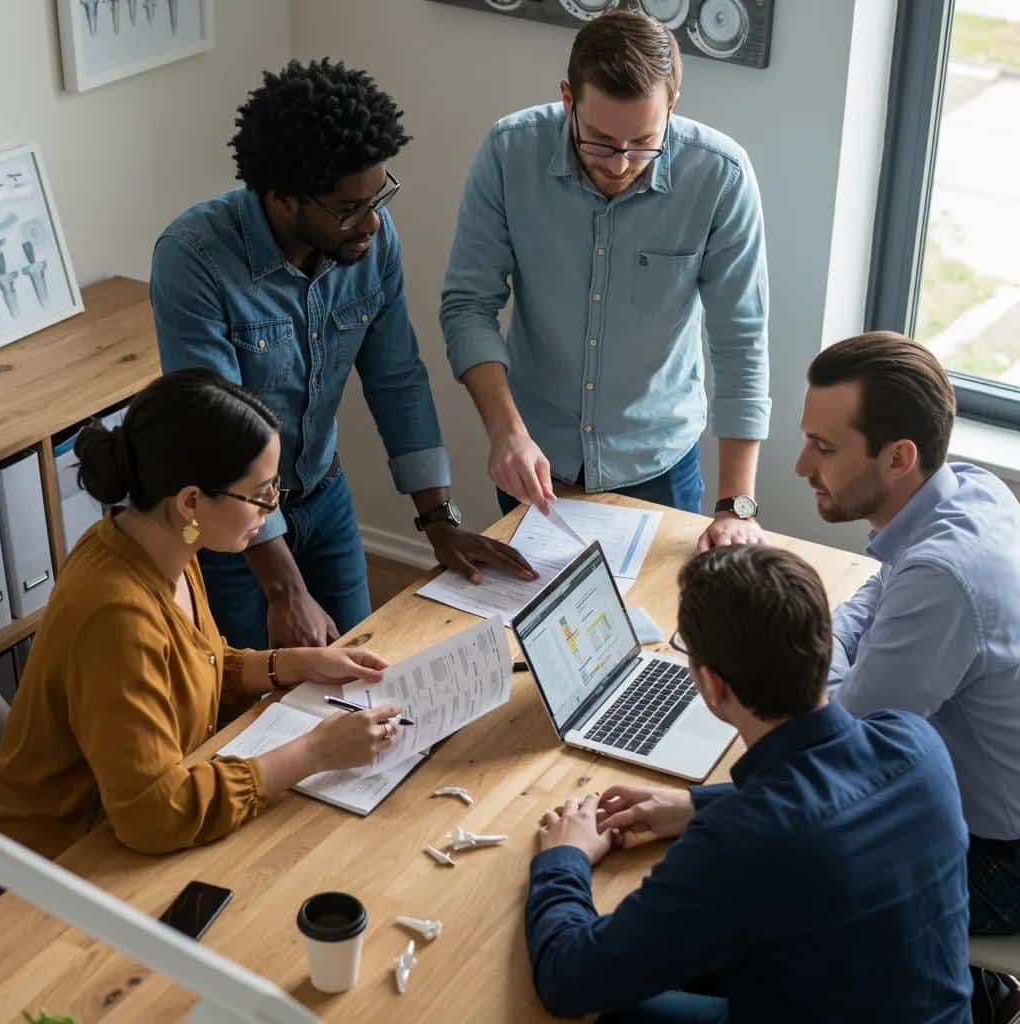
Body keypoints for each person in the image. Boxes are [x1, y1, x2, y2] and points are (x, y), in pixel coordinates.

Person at [151, 58, 534, 651]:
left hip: (324, 499)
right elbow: (214, 433)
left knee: (358, 667)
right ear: (281, 198)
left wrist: (440, 521)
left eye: (379, 195)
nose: (372, 222)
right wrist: (284, 590)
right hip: (225, 524)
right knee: (251, 701)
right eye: (348, 207)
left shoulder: (370, 245)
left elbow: (397, 378)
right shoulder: (194, 257)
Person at [527, 545, 971, 1023]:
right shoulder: (916, 744)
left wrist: (563, 858)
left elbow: (569, 979)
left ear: (713, 686)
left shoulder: (740, 842)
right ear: (824, 644)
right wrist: (696, 803)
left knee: (611, 1010)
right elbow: (828, 797)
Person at [0, 370, 404, 859]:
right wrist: (314, 752)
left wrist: (290, 664)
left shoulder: (163, 546)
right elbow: (155, 814)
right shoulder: (116, 613)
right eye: (261, 492)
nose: (272, 506)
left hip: (124, 825)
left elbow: (190, 670)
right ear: (190, 501)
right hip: (67, 861)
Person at [441, 10, 770, 552]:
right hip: (535, 456)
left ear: (672, 108)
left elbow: (741, 340)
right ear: (568, 100)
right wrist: (506, 433)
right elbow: (468, 304)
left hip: (659, 463)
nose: (620, 163)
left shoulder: (721, 176)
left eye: (643, 143)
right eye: (598, 141)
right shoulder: (508, 152)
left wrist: (736, 504)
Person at [796, 331, 1020, 1021]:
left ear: (900, 457)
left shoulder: (944, 577)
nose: (803, 464)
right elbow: (875, 590)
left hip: (1000, 863)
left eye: (825, 448)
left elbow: (842, 750)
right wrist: (834, 643)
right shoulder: (970, 491)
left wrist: (813, 655)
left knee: (781, 864)